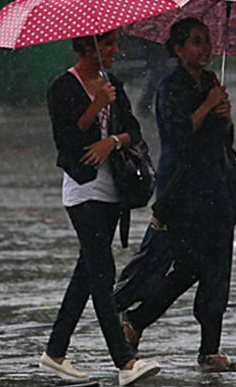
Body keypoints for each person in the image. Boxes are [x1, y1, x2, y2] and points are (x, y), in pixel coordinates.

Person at [117, 18, 236, 372]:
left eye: (207, 41)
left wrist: (226, 113)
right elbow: (177, 135)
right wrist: (207, 105)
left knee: (218, 268)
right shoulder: (170, 86)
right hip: (183, 189)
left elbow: (223, 139)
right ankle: (137, 319)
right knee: (187, 265)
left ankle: (210, 350)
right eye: (195, 42)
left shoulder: (210, 82)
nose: (204, 48)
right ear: (177, 49)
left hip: (216, 187)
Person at [41, 29, 160, 386]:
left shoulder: (113, 84)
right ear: (86, 47)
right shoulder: (62, 87)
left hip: (113, 189)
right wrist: (95, 106)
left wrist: (111, 141)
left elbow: (134, 132)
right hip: (82, 189)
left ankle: (55, 352)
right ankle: (125, 362)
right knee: (102, 273)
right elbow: (66, 140)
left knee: (86, 274)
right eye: (107, 44)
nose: (114, 50)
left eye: (113, 44)